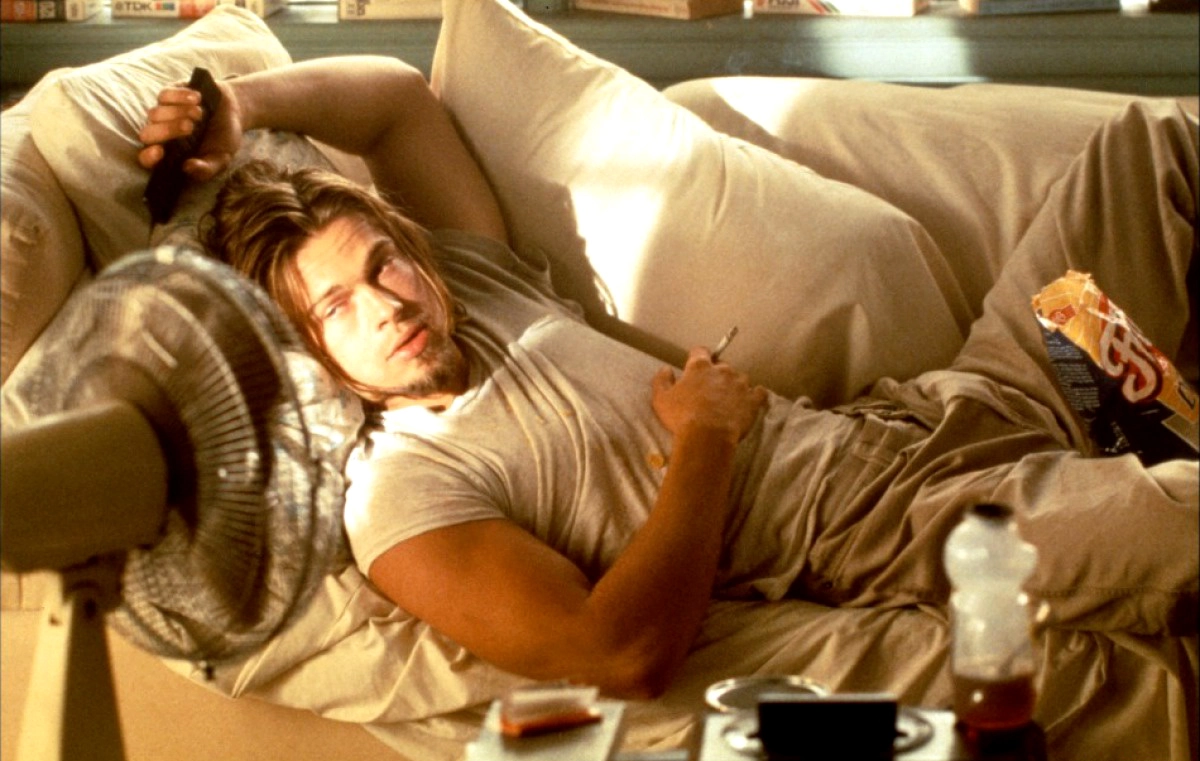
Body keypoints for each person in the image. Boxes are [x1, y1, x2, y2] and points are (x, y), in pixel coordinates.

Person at [139, 55, 1199, 702]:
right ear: (304, 356)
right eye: (336, 309)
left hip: (962, 400)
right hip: (918, 522)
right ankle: (1148, 459)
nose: (388, 306)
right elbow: (615, 652)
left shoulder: (473, 285)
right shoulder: (401, 492)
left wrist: (240, 105)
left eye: (383, 264)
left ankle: (1149, 424)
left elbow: (397, 104)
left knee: (1149, 148)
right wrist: (707, 436)